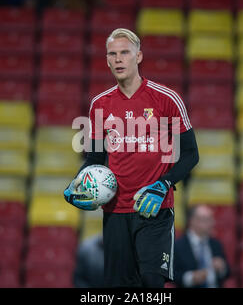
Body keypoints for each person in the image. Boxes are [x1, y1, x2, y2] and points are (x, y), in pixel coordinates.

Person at [64, 28, 199, 288]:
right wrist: (77, 183)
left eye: (125, 53)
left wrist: (164, 184)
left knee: (151, 281)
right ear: (106, 61)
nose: (118, 59)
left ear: (138, 57)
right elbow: (95, 157)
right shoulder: (99, 104)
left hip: (154, 209)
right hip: (114, 210)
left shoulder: (166, 99)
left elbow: (191, 154)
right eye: (112, 54)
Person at [174, 205, 230, 288]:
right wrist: (191, 278)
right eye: (206, 220)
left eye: (211, 219)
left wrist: (222, 268)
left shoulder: (216, 244)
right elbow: (173, 275)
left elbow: (228, 272)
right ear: (193, 221)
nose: (212, 223)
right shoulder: (178, 245)